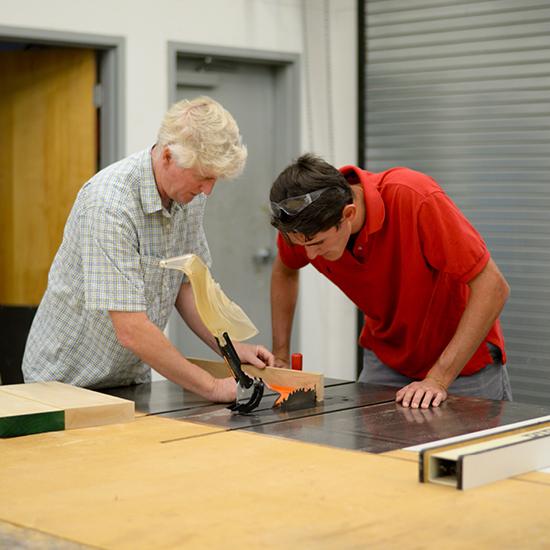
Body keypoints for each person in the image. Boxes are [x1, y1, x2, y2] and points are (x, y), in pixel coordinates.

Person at [23, 96, 273, 402]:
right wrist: (212, 387)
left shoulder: (188, 199)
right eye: (203, 176)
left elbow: (186, 287)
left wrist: (231, 349)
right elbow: (131, 329)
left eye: (215, 179)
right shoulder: (109, 205)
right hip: (62, 382)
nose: (208, 190)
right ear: (167, 156)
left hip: (127, 379)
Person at [269, 153, 512, 408]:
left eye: (318, 244)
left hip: (461, 365)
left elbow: (493, 287)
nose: (309, 254)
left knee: (465, 445)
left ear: (348, 214)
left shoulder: (414, 197)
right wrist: (281, 355)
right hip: (387, 356)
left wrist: (438, 380)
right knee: (370, 444)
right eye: (300, 244)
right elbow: (285, 270)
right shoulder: (303, 228)